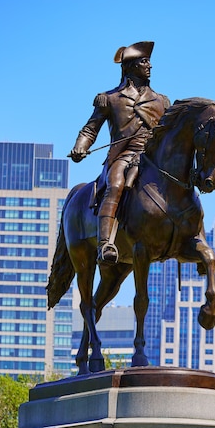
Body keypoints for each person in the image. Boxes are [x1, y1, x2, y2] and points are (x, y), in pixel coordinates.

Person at [69, 41, 170, 263]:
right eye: (144, 61)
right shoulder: (110, 98)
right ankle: (105, 243)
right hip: (124, 156)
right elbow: (90, 128)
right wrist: (80, 146)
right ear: (131, 66)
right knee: (115, 186)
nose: (150, 66)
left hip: (153, 159)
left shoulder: (161, 101)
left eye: (149, 61)